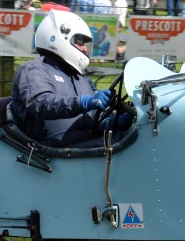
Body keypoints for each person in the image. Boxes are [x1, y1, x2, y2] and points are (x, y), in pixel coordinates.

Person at [10, 10, 125, 148]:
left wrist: (111, 122)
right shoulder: (34, 69)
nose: (84, 48)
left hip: (83, 145)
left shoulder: (78, 78)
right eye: (79, 41)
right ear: (58, 37)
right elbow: (40, 104)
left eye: (85, 43)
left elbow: (92, 120)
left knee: (131, 137)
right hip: (52, 150)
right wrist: (83, 102)